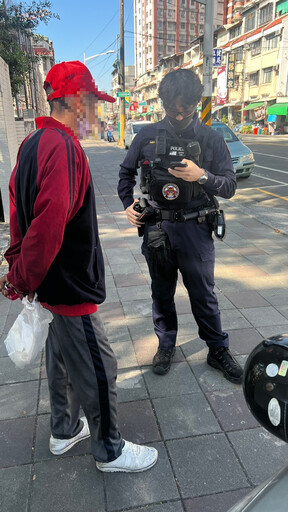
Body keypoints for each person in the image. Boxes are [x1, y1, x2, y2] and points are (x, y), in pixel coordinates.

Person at [0, 61, 157, 473]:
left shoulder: (31, 144)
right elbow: (49, 224)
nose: (97, 113)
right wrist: (20, 278)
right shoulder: (64, 147)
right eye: (92, 103)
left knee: (61, 356)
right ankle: (110, 450)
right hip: (69, 281)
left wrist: (21, 270)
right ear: (74, 102)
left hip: (48, 282)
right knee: (99, 364)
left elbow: (19, 213)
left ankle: (65, 428)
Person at [117, 68, 243, 384]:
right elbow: (125, 174)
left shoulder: (210, 139)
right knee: (161, 293)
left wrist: (201, 175)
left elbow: (228, 185)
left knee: (203, 294)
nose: (178, 112)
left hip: (196, 230)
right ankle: (166, 345)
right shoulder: (145, 136)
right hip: (157, 229)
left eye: (185, 106)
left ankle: (217, 349)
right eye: (171, 106)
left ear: (194, 103)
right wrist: (128, 206)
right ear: (162, 102)